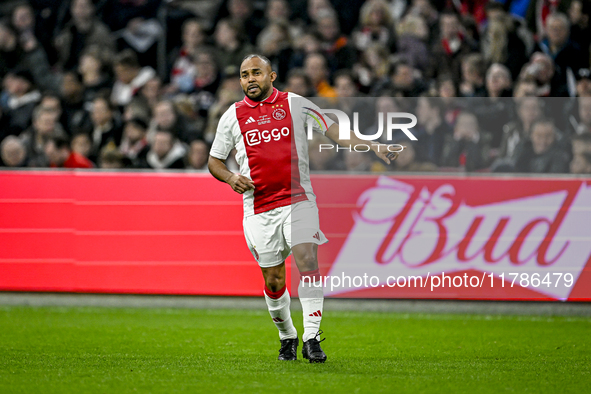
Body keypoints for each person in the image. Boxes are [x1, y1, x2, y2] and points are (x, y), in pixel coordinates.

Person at [208, 54, 398, 363]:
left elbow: (334, 131)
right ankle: (287, 336)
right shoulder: (233, 115)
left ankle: (312, 336)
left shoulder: (295, 104)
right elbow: (214, 159)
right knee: (273, 280)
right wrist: (230, 177)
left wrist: (374, 146)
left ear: (272, 76)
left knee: (307, 257)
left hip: (298, 199)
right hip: (258, 209)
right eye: (245, 75)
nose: (250, 79)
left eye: (257, 72)